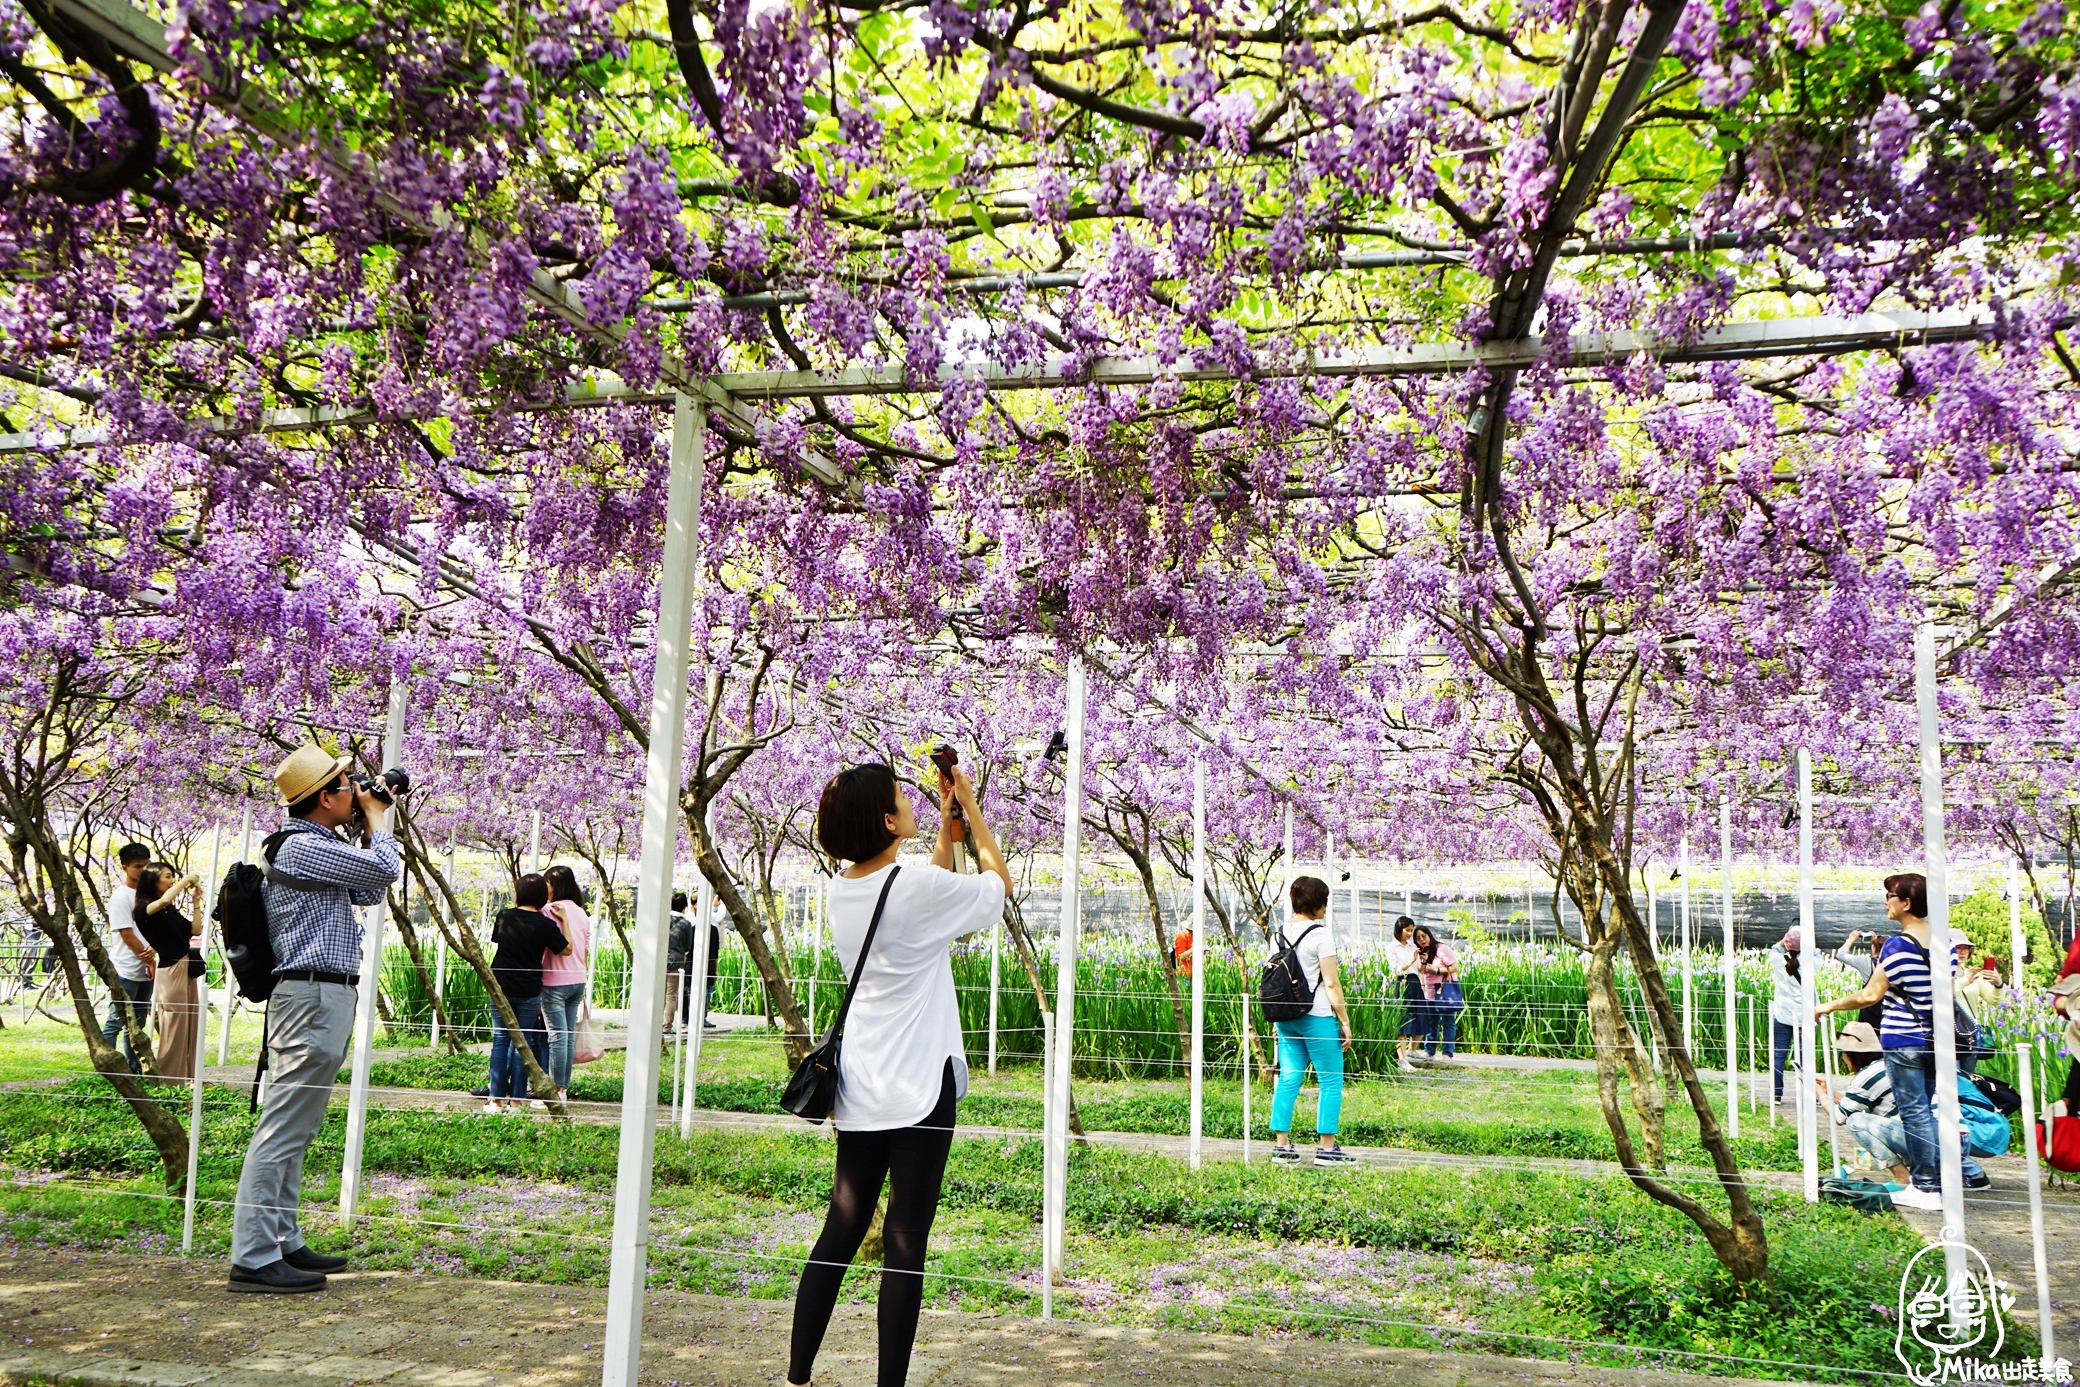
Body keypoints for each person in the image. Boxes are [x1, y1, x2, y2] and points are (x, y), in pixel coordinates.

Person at [787, 760, 1010, 1387]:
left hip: (862, 1084)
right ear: (887, 821)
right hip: (920, 1085)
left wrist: (946, 833)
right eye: (901, 799)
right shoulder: (910, 889)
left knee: (842, 1228)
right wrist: (972, 807)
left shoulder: (843, 889)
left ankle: (798, 1373)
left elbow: (924, 904)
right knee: (906, 1239)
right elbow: (998, 888)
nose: (910, 802)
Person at [229, 743, 400, 1294]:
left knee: (297, 1127)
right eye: (348, 786)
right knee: (281, 1128)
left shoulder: (317, 844)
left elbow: (369, 890)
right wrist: (380, 819)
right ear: (325, 797)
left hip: (321, 996)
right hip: (308, 997)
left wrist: (372, 823)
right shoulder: (301, 846)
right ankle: (254, 1256)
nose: (356, 792)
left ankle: (284, 1241)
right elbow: (385, 870)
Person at [1818, 872, 1991, 1211]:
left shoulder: (1898, 945)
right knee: (1924, 1111)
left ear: (1907, 903)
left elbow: (1871, 994)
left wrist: (1828, 1005)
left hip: (1904, 1040)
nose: (1886, 902)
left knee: (1914, 1114)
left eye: (1890, 896)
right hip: (1937, 1040)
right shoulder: (1945, 945)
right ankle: (1935, 1182)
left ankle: (1926, 1187)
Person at [1268, 876, 1356, 1166]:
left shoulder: (1278, 934)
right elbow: (1331, 984)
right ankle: (1327, 1150)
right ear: (1317, 903)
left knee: (1289, 1078)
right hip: (1316, 1016)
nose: (1326, 907)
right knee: (1330, 1082)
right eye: (1325, 901)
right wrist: (1343, 1020)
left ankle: (1282, 1147)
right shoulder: (1320, 935)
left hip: (1286, 1017)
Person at [485, 873, 569, 1114]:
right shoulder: (546, 924)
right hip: (529, 988)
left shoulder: (505, 916)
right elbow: (565, 949)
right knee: (524, 1043)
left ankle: (495, 1100)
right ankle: (518, 1101)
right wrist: (564, 921)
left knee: (500, 1040)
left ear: (518, 893)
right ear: (543, 896)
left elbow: (496, 940)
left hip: (500, 986)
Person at [136, 863, 205, 1084]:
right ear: (152, 879)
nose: (172, 881)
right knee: (174, 1026)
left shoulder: (169, 911)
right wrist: (186, 881)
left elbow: (195, 930)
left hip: (187, 969)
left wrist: (195, 903)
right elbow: (164, 900)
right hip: (171, 971)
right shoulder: (144, 909)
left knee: (190, 1023)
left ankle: (188, 1077)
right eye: (167, 877)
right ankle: (167, 1077)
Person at [1816, 1021, 1907, 1188]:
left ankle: (1902, 1178)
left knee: (1856, 1122)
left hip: (1916, 1139)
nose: (1843, 1058)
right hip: (1941, 1137)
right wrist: (1830, 1090)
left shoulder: (1867, 1076)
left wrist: (1820, 1094)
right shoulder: (1889, 1064)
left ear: (1852, 1054)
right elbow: (1858, 1101)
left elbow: (1839, 1117)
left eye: (1843, 1052)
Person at [100, 843, 155, 1071]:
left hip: (144, 970)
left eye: (147, 865)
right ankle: (106, 1068)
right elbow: (127, 935)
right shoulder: (121, 898)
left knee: (137, 1024)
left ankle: (133, 1069)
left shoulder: (148, 895)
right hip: (126, 969)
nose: (143, 871)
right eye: (137, 866)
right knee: (117, 1020)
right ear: (125, 868)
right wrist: (149, 960)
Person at [539, 864, 591, 1103]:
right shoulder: (581, 913)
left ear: (554, 886)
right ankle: (563, 1088)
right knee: (567, 1036)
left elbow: (540, 948)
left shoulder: (549, 910)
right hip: (578, 979)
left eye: (547, 884)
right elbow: (586, 951)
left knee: (557, 1037)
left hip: (554, 980)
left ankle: (556, 1090)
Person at [1767, 928, 1804, 1105]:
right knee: (1806, 1056)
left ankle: (1776, 1093)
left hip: (1782, 1014)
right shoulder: (1811, 961)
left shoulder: (1777, 960)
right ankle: (1811, 1093)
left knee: (1778, 1055)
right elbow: (1816, 953)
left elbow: (1774, 949)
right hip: (1805, 1017)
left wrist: (1784, 940)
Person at [1413, 925, 1461, 1060]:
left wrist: (1438, 970)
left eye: (1424, 936)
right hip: (1429, 992)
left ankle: (1447, 1054)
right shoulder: (1421, 952)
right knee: (1431, 1022)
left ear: (1429, 935)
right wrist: (1422, 961)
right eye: (1418, 938)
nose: (1421, 940)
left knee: (1448, 1022)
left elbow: (1455, 967)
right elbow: (1420, 970)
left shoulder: (1442, 948)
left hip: (1445, 991)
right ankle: (1430, 1051)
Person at [1384, 916, 1422, 1073]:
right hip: (1401, 983)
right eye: (1407, 930)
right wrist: (1411, 961)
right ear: (1399, 929)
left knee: (1420, 1017)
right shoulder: (1391, 947)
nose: (1409, 933)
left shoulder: (1412, 946)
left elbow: (1418, 968)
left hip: (1414, 982)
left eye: (1411, 931)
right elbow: (1395, 969)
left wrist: (1421, 962)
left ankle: (1412, 1051)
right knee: (1402, 1021)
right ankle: (1402, 1059)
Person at [665, 891, 695, 1036]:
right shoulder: (686, 924)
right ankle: (666, 1027)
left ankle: (653, 1024)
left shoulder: (662, 919)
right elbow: (688, 947)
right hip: (676, 961)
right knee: (671, 995)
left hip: (659, 959)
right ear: (684, 906)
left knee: (657, 993)